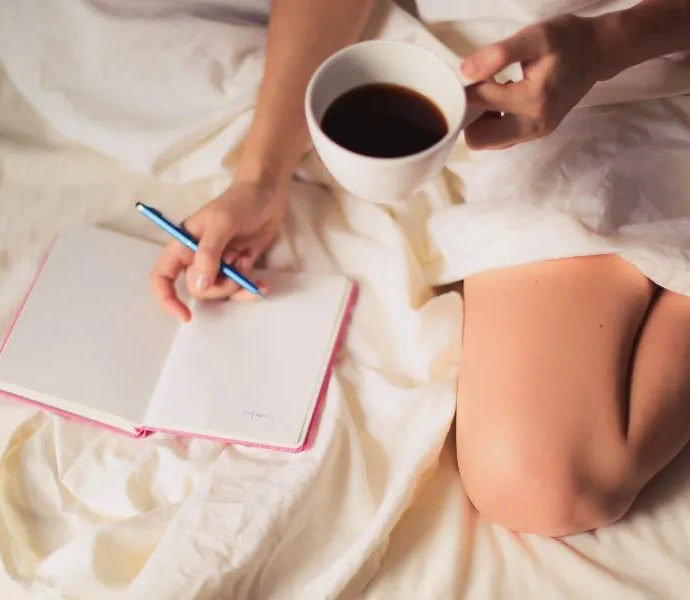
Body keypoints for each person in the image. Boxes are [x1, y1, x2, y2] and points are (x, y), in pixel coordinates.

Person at [149, 0, 690, 538]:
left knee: (539, 485)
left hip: (640, 71)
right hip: (449, 68)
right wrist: (259, 178)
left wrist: (607, 44)